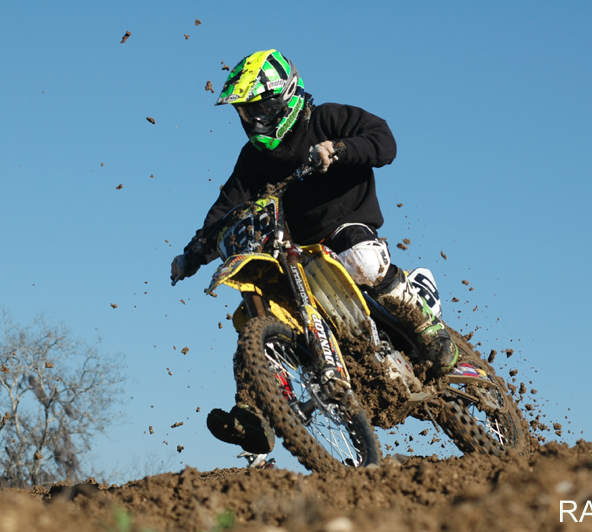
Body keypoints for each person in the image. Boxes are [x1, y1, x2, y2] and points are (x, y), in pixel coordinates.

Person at [171, 49, 458, 456]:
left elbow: (384, 142)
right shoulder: (254, 159)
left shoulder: (326, 118)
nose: (253, 120)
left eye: (259, 109)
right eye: (246, 113)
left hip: (346, 228)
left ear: (285, 97)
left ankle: (426, 327)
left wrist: (338, 149)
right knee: (254, 313)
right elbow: (226, 207)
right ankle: (256, 412)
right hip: (297, 251)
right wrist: (194, 252)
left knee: (362, 261)